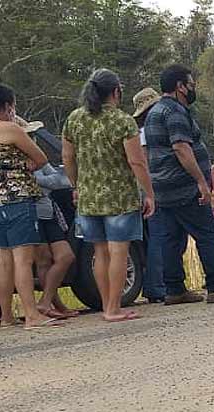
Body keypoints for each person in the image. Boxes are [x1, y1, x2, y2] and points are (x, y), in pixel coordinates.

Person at [145, 65, 214, 306]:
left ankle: (174, 288)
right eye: (190, 85)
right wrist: (202, 182)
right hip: (183, 186)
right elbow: (181, 147)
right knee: (207, 234)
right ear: (180, 87)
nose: (193, 89)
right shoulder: (174, 112)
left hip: (163, 187)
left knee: (172, 238)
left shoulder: (154, 112)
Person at [62, 69, 157, 322]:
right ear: (116, 91)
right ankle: (114, 307)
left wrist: (76, 185)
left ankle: (107, 305)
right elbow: (136, 161)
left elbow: (67, 158)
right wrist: (148, 193)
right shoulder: (122, 121)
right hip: (119, 196)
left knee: (99, 252)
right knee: (119, 252)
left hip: (88, 196)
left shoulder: (74, 119)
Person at [0, 84, 60, 329]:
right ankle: (31, 314)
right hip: (17, 199)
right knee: (23, 259)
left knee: (4, 259)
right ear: (7, 106)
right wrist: (26, 165)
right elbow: (41, 158)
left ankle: (6, 316)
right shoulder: (11, 129)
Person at [22, 116, 77, 320]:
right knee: (43, 260)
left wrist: (39, 179)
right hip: (33, 212)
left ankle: (47, 301)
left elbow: (58, 179)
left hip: (47, 211)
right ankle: (52, 304)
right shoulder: (16, 159)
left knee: (65, 256)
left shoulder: (37, 157)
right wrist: (42, 181)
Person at [131, 87, 167, 303]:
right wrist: (148, 192)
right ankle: (156, 285)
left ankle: (156, 283)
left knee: (156, 238)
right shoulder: (145, 133)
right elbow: (143, 162)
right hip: (151, 189)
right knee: (158, 237)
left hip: (148, 188)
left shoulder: (143, 131)